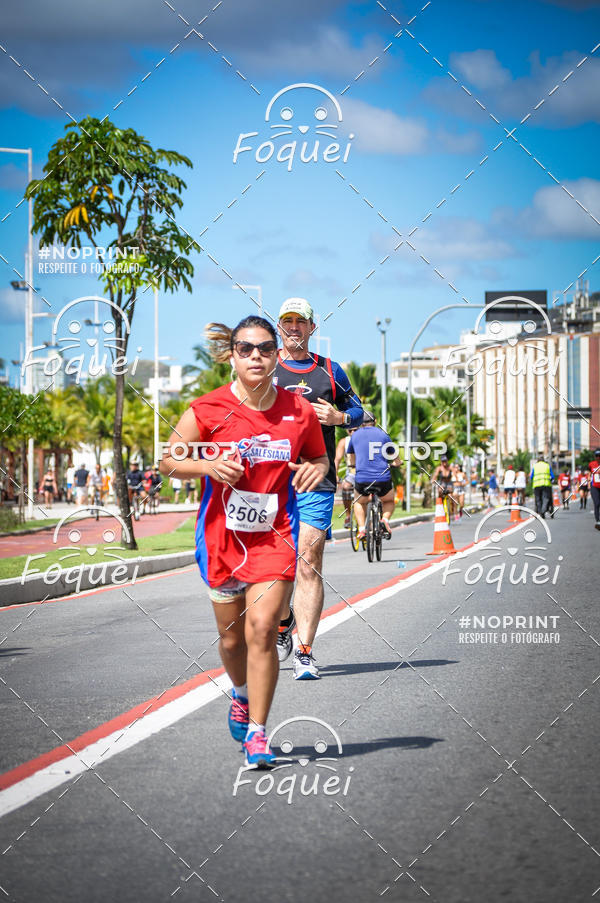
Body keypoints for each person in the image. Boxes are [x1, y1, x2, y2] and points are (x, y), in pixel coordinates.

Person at [159, 316, 328, 767]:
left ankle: (258, 731)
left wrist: (319, 469)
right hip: (222, 539)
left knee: (262, 631)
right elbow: (169, 460)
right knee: (231, 640)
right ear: (231, 356)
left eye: (265, 349)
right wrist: (207, 467)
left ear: (276, 356)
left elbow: (317, 456)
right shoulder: (206, 410)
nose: (256, 356)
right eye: (246, 349)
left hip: (277, 536)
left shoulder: (299, 410)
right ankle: (238, 692)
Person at [273, 298, 363, 678]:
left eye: (301, 321)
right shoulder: (265, 367)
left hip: (316, 479)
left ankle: (305, 652)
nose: (294, 327)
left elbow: (361, 411)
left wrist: (340, 416)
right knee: (276, 569)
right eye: (287, 321)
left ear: (312, 327)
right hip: (270, 485)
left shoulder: (330, 370)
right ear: (280, 326)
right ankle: (282, 622)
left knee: (308, 564)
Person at [346, 412, 400, 540]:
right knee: (388, 500)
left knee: (359, 502)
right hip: (382, 478)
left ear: (360, 422)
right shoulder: (383, 435)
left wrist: (354, 466)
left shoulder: (355, 436)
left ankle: (362, 529)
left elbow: (351, 458)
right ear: (375, 421)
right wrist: (396, 463)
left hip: (362, 479)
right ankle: (385, 520)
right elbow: (395, 457)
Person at [334, 428, 358, 529]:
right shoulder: (344, 442)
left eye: (355, 430)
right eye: (350, 430)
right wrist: (335, 474)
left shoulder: (366, 438)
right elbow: (337, 459)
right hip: (352, 471)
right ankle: (348, 515)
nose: (352, 432)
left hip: (367, 471)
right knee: (346, 487)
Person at [589, 457, 600, 529]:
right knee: (597, 503)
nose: (598, 457)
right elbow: (589, 473)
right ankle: (598, 521)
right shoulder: (592, 464)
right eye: (596, 455)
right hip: (594, 487)